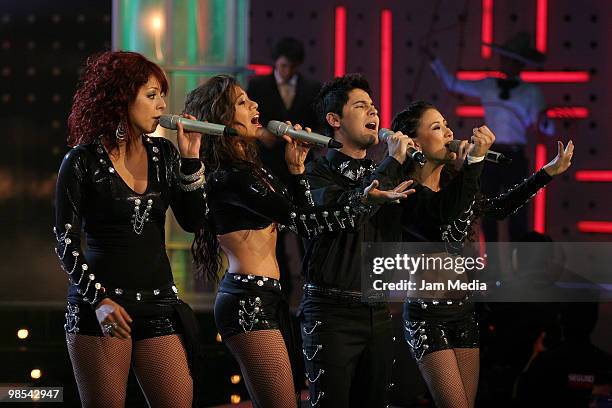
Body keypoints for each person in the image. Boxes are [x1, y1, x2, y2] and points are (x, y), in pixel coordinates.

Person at [184, 74, 410, 408]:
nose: (256, 105)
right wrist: (363, 202)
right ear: (221, 117)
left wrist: (296, 171)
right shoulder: (234, 174)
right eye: (243, 103)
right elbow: (305, 221)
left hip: (268, 297)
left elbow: (303, 221)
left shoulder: (250, 166)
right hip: (249, 301)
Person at [391, 100, 573, 408]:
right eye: (437, 127)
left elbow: (498, 208)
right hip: (427, 316)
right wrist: (474, 164)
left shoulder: (454, 185)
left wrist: (546, 173)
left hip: (463, 312)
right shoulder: (404, 190)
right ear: (414, 143)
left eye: (447, 124)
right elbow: (442, 223)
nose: (449, 132)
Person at [54, 51, 206, 407]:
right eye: (151, 95)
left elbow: (193, 221)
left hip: (158, 305)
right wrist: (99, 300)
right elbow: (65, 242)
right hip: (102, 309)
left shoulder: (165, 153)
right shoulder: (82, 160)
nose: (162, 105)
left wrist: (191, 162)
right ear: (122, 98)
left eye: (162, 95)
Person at [299, 73, 417, 408]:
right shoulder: (315, 173)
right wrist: (393, 162)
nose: (374, 114)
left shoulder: (387, 173)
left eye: (375, 107)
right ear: (334, 119)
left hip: (378, 311)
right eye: (361, 106)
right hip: (330, 313)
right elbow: (351, 211)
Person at [426, 32, 555, 243]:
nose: (505, 63)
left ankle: (520, 268)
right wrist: (434, 60)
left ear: (521, 64)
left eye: (511, 60)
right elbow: (452, 84)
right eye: (504, 58)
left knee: (518, 214)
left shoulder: (531, 93)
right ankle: (492, 266)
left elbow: (546, 127)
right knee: (486, 211)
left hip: (515, 156)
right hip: (490, 155)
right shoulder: (488, 85)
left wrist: (547, 121)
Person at [247, 37, 322, 300]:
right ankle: (279, 291)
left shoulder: (312, 89)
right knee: (272, 236)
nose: (285, 71)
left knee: (306, 235)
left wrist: (307, 141)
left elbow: (320, 129)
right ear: (275, 62)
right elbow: (247, 124)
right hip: (269, 170)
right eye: (281, 65)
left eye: (290, 66)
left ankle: (310, 288)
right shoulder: (257, 86)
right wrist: (261, 134)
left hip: (301, 172)